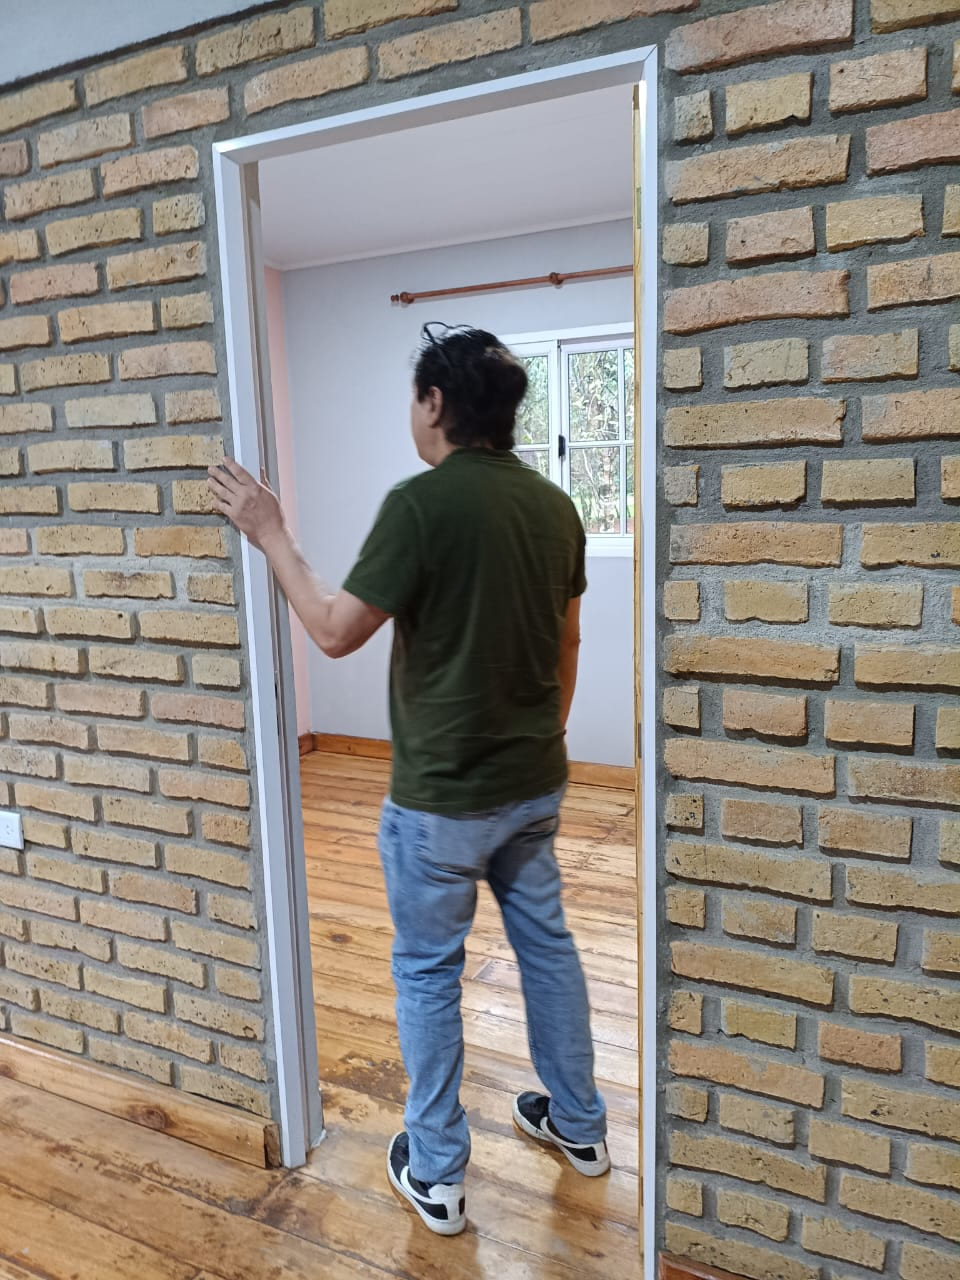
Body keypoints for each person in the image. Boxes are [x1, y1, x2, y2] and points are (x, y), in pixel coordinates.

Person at [208, 323, 609, 1237]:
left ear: (435, 402)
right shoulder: (556, 507)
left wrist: (269, 530)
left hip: (441, 802)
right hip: (534, 785)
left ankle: (436, 1173)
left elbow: (333, 630)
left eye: (414, 401)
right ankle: (581, 1126)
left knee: (429, 973)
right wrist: (541, 739)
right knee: (548, 951)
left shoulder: (420, 504)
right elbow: (569, 639)